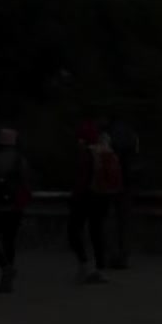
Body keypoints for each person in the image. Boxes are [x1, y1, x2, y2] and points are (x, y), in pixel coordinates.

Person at [68, 122, 122, 284]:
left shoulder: (86, 154)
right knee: (97, 232)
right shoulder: (106, 151)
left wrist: (75, 197)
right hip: (103, 197)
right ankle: (100, 269)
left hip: (86, 197)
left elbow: (81, 179)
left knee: (74, 230)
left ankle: (84, 266)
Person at [0, 126, 33, 293]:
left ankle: (5, 268)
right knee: (9, 242)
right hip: (15, 208)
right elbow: (26, 186)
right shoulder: (21, 160)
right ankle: (7, 279)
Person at [106, 117, 140, 268]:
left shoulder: (110, 136)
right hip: (126, 183)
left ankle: (113, 255)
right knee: (124, 221)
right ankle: (123, 255)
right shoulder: (132, 136)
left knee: (111, 221)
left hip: (113, 183)